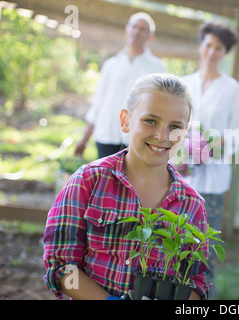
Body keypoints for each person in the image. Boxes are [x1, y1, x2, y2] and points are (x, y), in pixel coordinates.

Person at [43, 73, 209, 300]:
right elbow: (61, 265)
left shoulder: (191, 204)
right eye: (151, 121)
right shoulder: (89, 181)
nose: (162, 135)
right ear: (125, 120)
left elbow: (197, 280)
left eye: (175, 126)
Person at [182, 22, 239, 295]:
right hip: (182, 176)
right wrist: (181, 154)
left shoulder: (233, 90)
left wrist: (212, 145)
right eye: (208, 45)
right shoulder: (184, 84)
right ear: (200, 46)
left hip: (213, 181)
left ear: (225, 52)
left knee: (204, 245)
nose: (212, 51)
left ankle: (204, 295)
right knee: (177, 241)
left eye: (218, 48)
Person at [75, 12, 167, 159]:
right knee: (106, 181)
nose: (137, 31)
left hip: (139, 139)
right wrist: (84, 139)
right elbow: (98, 104)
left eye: (142, 29)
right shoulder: (111, 65)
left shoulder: (158, 68)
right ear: (127, 30)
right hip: (107, 135)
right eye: (134, 26)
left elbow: (162, 107)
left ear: (150, 36)